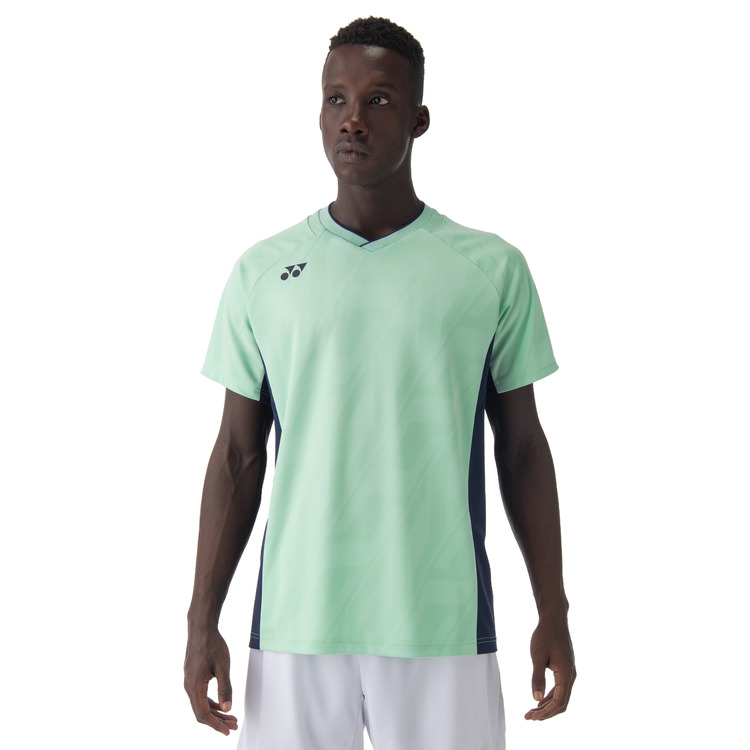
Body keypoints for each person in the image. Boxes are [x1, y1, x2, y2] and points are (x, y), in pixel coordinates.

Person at [184, 16, 575, 750]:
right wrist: (202, 619)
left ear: (420, 119)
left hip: (441, 625)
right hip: (295, 626)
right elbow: (238, 455)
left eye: (379, 99)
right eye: (336, 99)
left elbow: (522, 448)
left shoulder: (489, 269)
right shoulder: (261, 273)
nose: (352, 119)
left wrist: (552, 607)